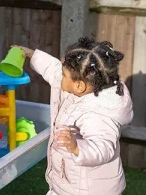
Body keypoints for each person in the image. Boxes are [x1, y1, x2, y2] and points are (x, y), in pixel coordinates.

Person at [14, 36, 133, 195]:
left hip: (89, 190)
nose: (60, 76)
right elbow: (54, 70)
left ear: (79, 85)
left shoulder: (98, 114)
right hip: (70, 182)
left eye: (64, 75)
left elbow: (103, 147)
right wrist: (33, 55)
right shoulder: (81, 88)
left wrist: (77, 146)